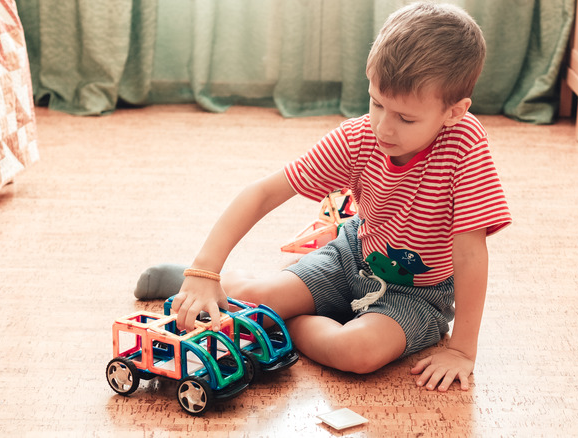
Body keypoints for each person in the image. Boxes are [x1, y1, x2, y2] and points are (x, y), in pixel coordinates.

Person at [134, 2, 511, 392]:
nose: (383, 126)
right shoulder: (358, 137)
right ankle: (196, 282)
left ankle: (282, 319)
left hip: (419, 294)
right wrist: (203, 269)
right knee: (256, 297)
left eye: (406, 118)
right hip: (351, 256)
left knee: (357, 351)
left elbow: (469, 252)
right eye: (377, 103)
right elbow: (264, 193)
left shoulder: (465, 144)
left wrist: (463, 350)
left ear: (454, 112)